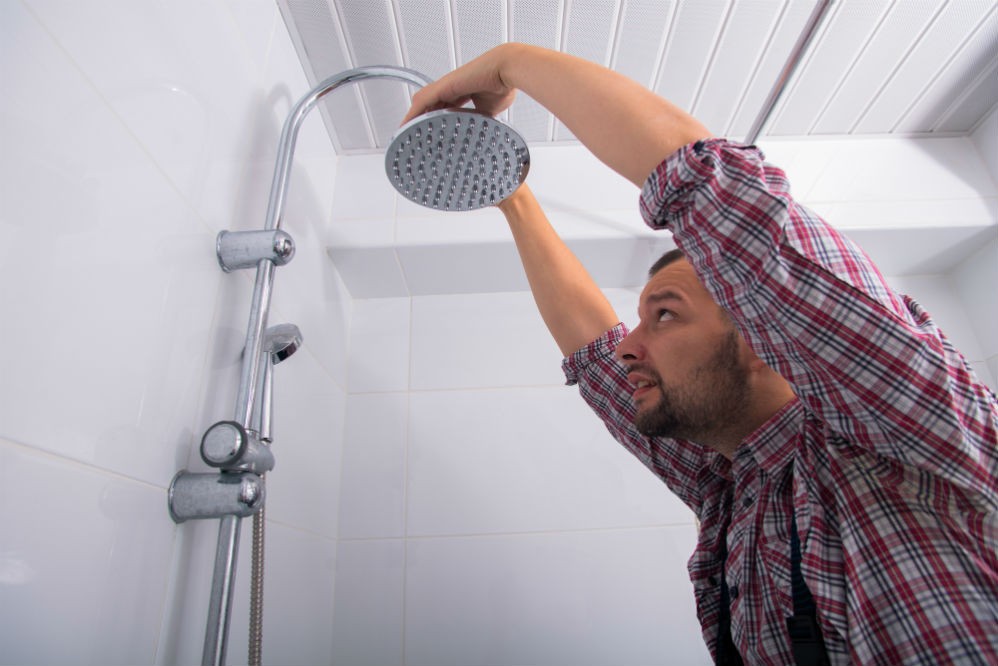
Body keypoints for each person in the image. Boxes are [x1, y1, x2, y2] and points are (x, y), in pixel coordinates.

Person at [403, 43, 998, 665]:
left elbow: (718, 195)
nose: (630, 347)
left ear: (764, 337)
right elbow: (593, 351)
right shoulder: (730, 487)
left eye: (664, 314)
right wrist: (510, 191)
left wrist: (508, 61)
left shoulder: (907, 432)